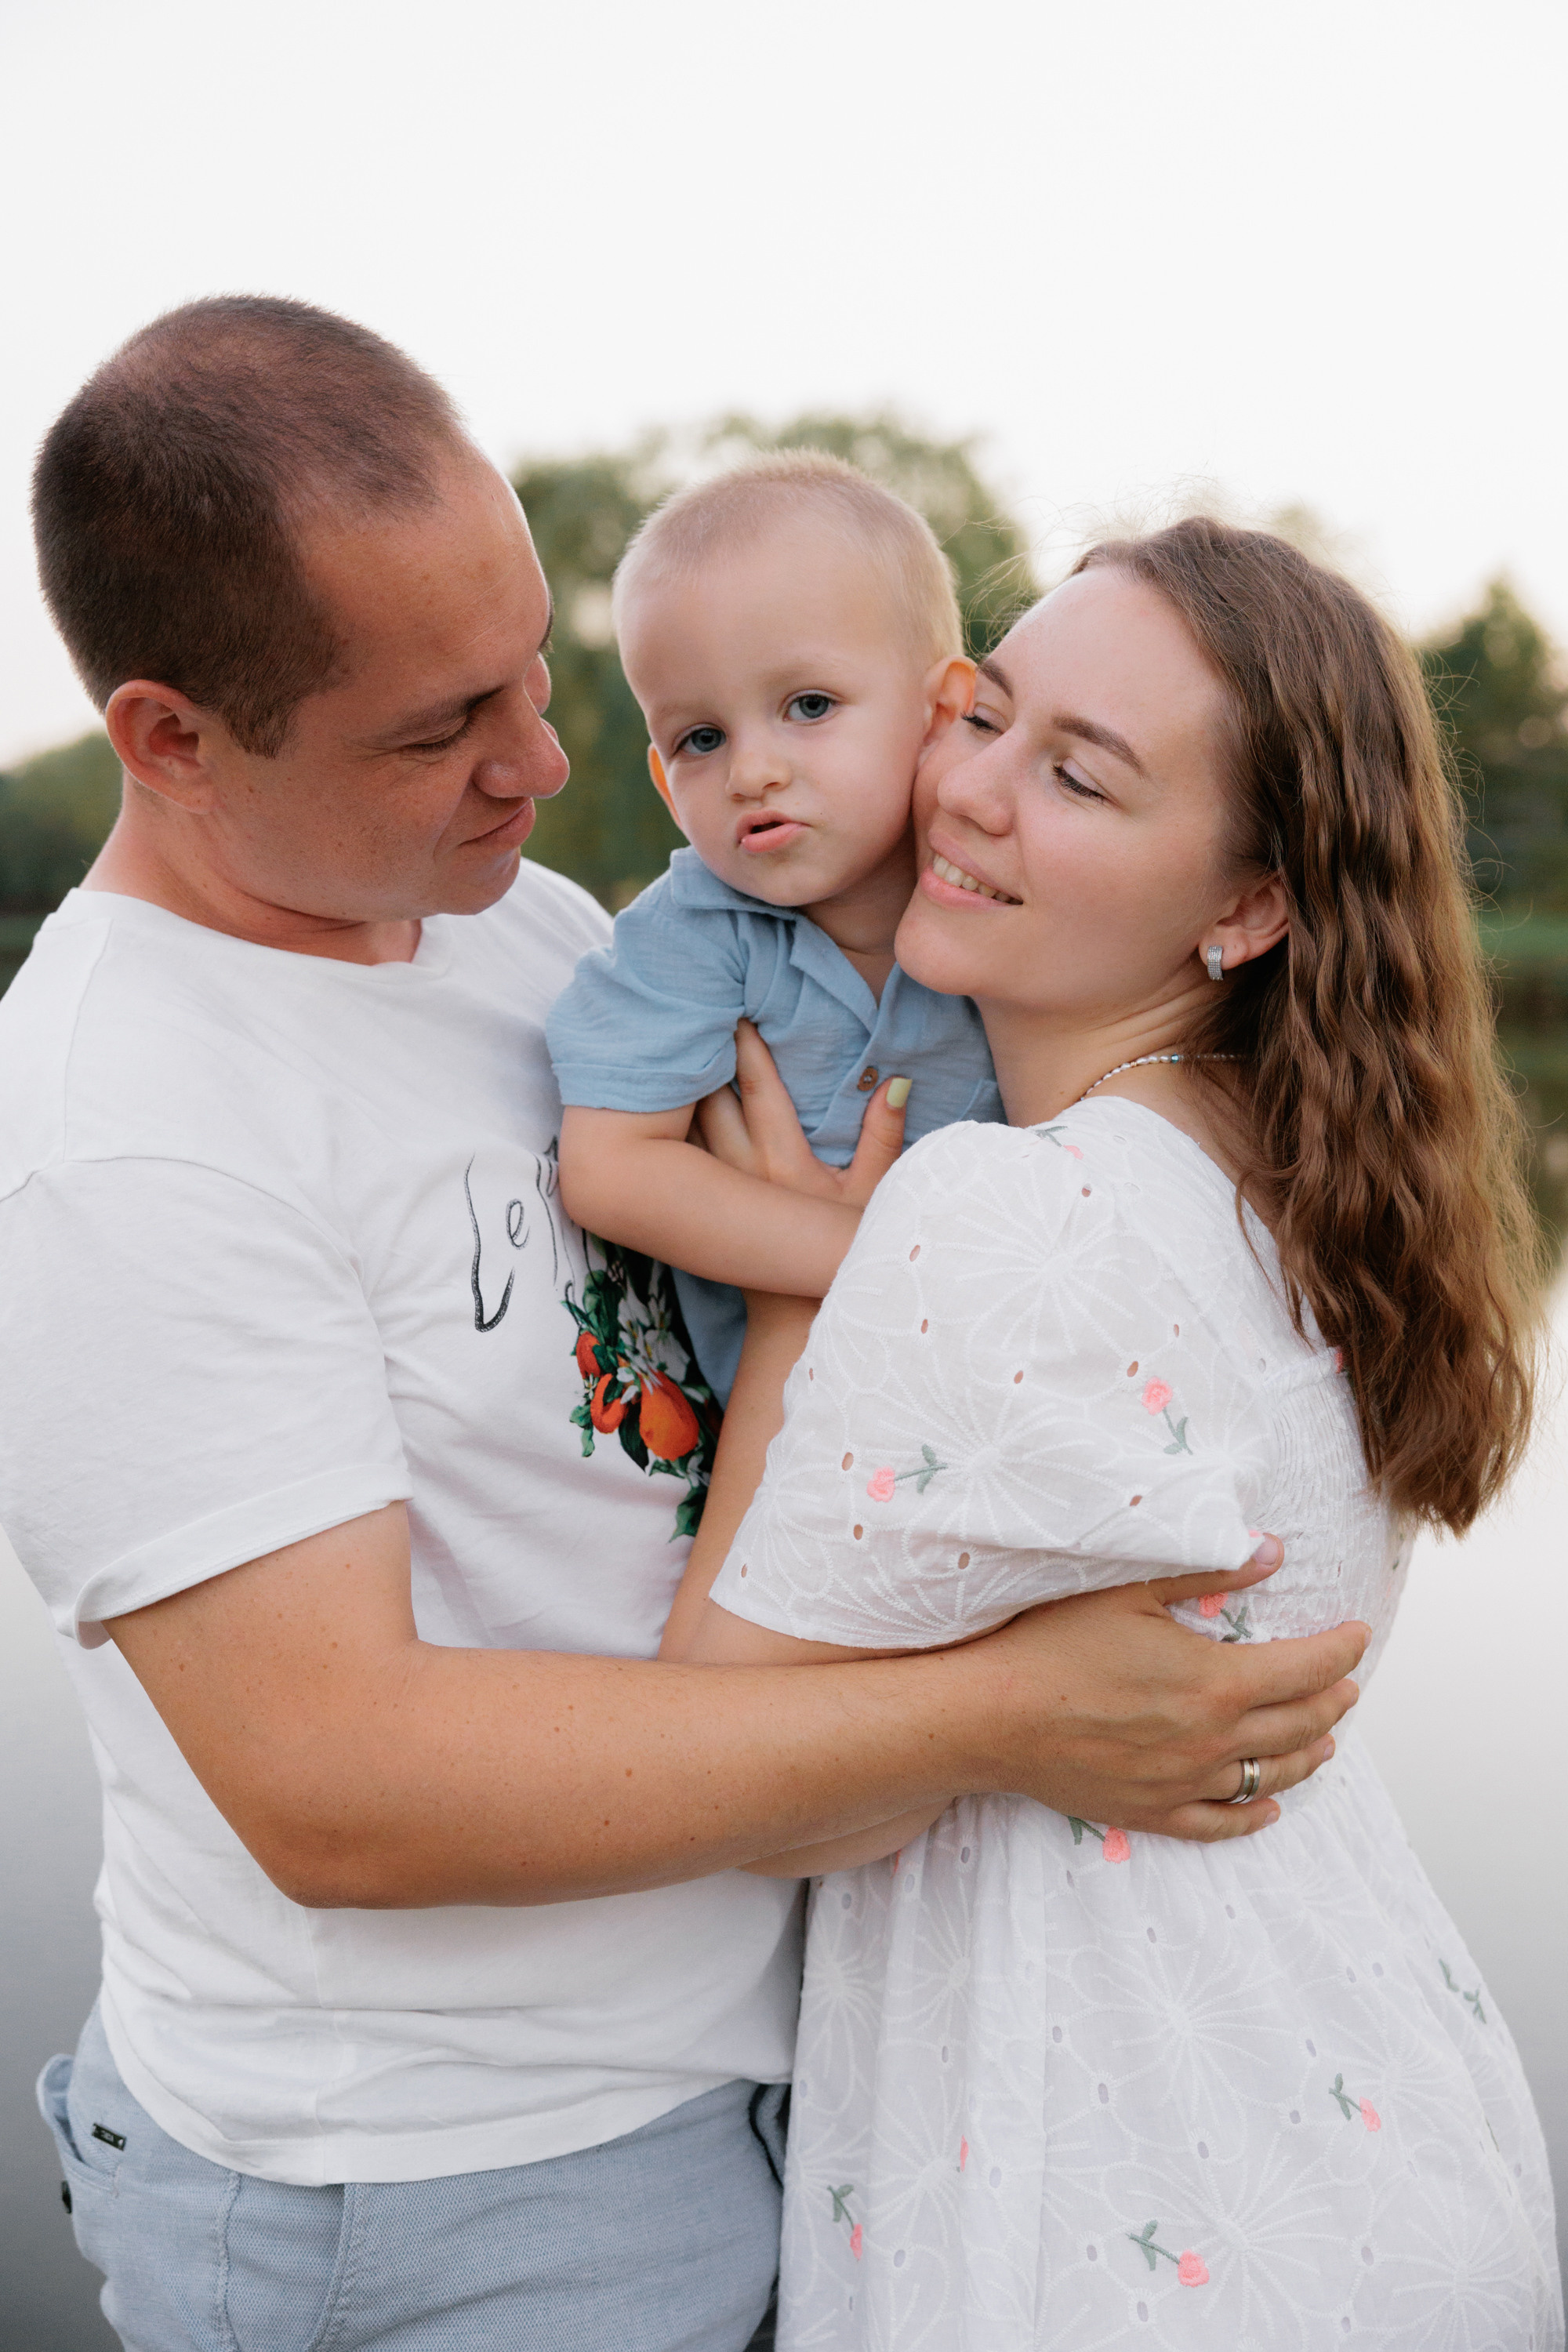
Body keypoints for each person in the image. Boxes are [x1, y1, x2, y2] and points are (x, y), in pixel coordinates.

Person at [0, 299, 1366, 2352]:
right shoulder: (124, 1141)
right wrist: (1011, 1721)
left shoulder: (523, 923)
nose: (547, 770)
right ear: (176, 741)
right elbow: (339, 1786)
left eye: (538, 679)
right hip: (453, 2185)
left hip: (774, 2072)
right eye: (440, 727)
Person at [666, 521, 1563, 2348]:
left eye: (1074, 774)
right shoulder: (1313, 1199)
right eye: (978, 711)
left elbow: (720, 1768)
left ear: (1243, 909)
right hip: (1373, 2145)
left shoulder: (1005, 1212)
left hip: (1115, 2213)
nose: (967, 793)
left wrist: (779, 1305)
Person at [547, 452, 1001, 1403]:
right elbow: (608, 1169)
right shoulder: (696, 929)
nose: (750, 771)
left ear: (942, 713)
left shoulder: (1007, 899)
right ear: (668, 787)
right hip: (784, 1421)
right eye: (700, 740)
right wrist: (868, 1253)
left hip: (991, 1380)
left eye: (807, 707)